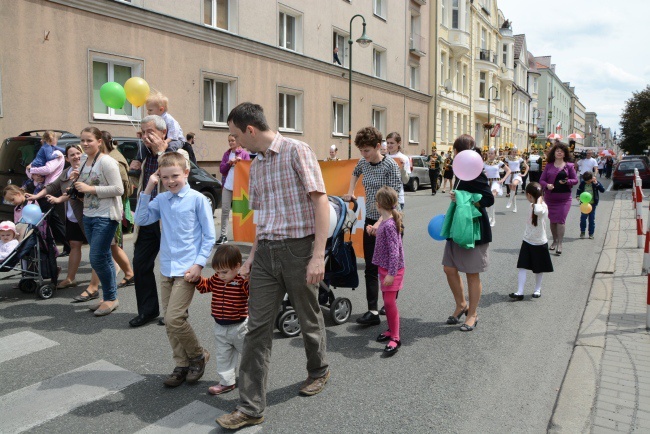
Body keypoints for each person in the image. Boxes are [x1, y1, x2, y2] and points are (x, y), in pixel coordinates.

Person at [216, 102, 330, 430]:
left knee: (308, 318)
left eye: (236, 135)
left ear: (250, 130)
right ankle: (250, 408)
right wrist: (252, 255)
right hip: (266, 252)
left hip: (299, 249)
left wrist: (318, 255)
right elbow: (261, 214)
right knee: (257, 329)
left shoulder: (297, 151)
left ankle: (319, 369)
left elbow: (320, 200)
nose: (234, 141)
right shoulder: (257, 163)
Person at [134, 151, 215, 387]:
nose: (171, 181)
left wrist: (199, 264)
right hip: (167, 267)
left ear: (186, 172)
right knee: (171, 322)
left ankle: (199, 355)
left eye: (175, 176)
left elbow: (209, 237)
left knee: (174, 318)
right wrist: (148, 189)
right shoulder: (161, 199)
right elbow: (140, 219)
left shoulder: (198, 200)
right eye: (165, 177)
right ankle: (181, 364)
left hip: (188, 269)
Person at [343, 126, 401, 327]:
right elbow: (355, 172)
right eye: (361, 150)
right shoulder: (363, 162)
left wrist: (379, 223)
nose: (363, 154)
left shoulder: (391, 166)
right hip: (370, 220)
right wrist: (351, 191)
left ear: (378, 146)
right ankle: (372, 311)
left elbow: (392, 202)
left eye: (366, 150)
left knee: (390, 264)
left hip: (390, 222)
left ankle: (390, 302)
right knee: (370, 266)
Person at [442, 135, 493, 332]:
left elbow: (488, 199)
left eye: (455, 151)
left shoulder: (474, 170)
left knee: (472, 273)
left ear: (460, 152)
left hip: (474, 228)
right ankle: (461, 304)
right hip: (458, 225)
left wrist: (465, 198)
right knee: (449, 268)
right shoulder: (460, 170)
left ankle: (472, 314)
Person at [129, 115, 175, 328]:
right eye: (142, 133)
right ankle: (148, 311)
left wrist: (160, 153)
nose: (145, 137)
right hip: (148, 218)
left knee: (172, 268)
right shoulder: (144, 156)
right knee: (140, 264)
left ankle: (173, 312)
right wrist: (134, 169)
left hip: (168, 220)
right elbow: (135, 183)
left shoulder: (177, 151)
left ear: (163, 133)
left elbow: (177, 176)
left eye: (150, 132)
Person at [75, 127, 124, 316]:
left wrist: (90, 189)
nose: (85, 144)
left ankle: (110, 298)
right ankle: (110, 297)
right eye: (83, 140)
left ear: (99, 141)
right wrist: (76, 181)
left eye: (89, 140)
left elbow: (118, 189)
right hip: (88, 213)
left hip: (106, 215)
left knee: (96, 257)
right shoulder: (82, 160)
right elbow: (87, 183)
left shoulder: (107, 162)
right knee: (103, 257)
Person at [26, 145, 87, 291]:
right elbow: (52, 187)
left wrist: (59, 199)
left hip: (89, 215)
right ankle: (70, 278)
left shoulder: (88, 170)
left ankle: (126, 272)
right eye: (72, 155)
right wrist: (36, 196)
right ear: (67, 158)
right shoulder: (66, 173)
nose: (76, 156)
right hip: (73, 217)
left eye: (78, 153)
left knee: (108, 248)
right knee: (74, 245)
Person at [195, 245, 249, 396]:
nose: (221, 276)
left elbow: (253, 293)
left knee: (250, 354)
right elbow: (205, 286)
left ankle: (253, 380)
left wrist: (248, 278)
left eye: (225, 272)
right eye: (217, 272)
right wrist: (196, 279)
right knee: (223, 356)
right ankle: (226, 382)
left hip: (240, 327)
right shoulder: (217, 279)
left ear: (237, 266)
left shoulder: (241, 280)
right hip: (220, 326)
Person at [372, 186, 405, 355]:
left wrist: (392, 274)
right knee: (386, 301)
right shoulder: (386, 221)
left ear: (379, 204)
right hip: (385, 267)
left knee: (390, 302)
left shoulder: (390, 224)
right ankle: (391, 330)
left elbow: (394, 252)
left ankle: (396, 337)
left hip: (393, 270)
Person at [101, 131, 135, 288]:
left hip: (113, 208)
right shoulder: (100, 158)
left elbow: (125, 189)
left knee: (109, 245)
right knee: (110, 245)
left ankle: (98, 286)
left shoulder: (115, 159)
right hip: (101, 209)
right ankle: (128, 273)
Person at [509, 182, 553, 300]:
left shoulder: (542, 206)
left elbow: (538, 211)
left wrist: (539, 198)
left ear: (529, 195)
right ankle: (520, 291)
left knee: (538, 269)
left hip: (539, 242)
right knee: (522, 266)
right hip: (527, 240)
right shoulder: (532, 205)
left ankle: (537, 289)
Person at [539, 142, 578, 256]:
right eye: (557, 151)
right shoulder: (549, 165)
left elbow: (575, 180)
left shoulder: (569, 166)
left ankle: (560, 243)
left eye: (561, 151)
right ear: (554, 153)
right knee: (552, 221)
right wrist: (547, 185)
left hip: (564, 199)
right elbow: (541, 180)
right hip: (550, 198)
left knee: (560, 221)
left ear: (565, 153)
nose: (559, 152)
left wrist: (567, 181)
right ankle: (555, 240)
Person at [217, 134, 251, 246]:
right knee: (225, 210)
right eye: (229, 141)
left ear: (238, 141)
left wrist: (241, 162)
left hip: (239, 188)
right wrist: (229, 163)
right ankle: (223, 235)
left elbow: (248, 169)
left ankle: (244, 234)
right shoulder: (227, 154)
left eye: (233, 140)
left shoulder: (245, 154)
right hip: (227, 186)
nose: (231, 143)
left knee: (241, 211)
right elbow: (222, 170)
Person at [483, 148, 511, 227]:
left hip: (496, 182)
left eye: (492, 153)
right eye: (489, 153)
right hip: (487, 182)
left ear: (495, 154)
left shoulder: (499, 162)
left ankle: (493, 218)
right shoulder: (484, 163)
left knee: (492, 196)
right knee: (489, 200)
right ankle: (490, 217)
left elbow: (508, 170)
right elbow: (479, 172)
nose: (490, 155)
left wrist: (503, 179)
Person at [576, 172, 605, 239]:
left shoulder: (595, 183)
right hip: (584, 204)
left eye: (589, 181)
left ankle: (591, 233)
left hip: (592, 204)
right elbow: (578, 191)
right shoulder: (583, 183)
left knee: (591, 219)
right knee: (583, 219)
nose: (588, 182)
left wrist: (596, 183)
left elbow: (602, 190)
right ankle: (582, 232)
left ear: (592, 178)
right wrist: (578, 196)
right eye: (587, 181)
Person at [385, 132, 410, 209]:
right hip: (384, 197)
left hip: (398, 198)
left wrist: (402, 169)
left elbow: (406, 181)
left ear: (399, 143)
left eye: (392, 143)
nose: (389, 145)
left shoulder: (404, 158)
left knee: (396, 221)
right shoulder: (383, 157)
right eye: (388, 143)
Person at [504, 147, 529, 213]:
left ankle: (509, 201)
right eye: (513, 151)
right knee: (513, 192)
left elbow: (527, 167)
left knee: (514, 184)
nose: (514, 153)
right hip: (510, 175)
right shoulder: (507, 158)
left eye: (516, 152)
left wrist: (524, 174)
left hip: (517, 174)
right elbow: (504, 167)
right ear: (511, 151)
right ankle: (515, 207)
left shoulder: (520, 159)